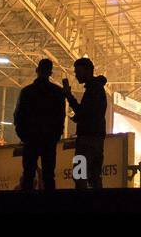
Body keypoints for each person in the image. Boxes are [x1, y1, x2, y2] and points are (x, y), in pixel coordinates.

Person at [14, 58, 67, 191]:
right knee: (49, 176)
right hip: (49, 140)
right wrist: (56, 135)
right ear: (51, 73)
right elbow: (61, 116)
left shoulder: (27, 92)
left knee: (28, 175)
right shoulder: (58, 92)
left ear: (37, 71)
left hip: (31, 139)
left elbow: (18, 115)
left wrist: (24, 136)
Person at [63, 57, 108, 189]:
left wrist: (68, 96)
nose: (76, 75)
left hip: (86, 140)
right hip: (97, 139)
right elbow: (91, 113)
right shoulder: (97, 88)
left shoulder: (92, 90)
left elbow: (84, 113)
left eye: (78, 71)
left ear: (87, 70)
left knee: (79, 174)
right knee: (94, 177)